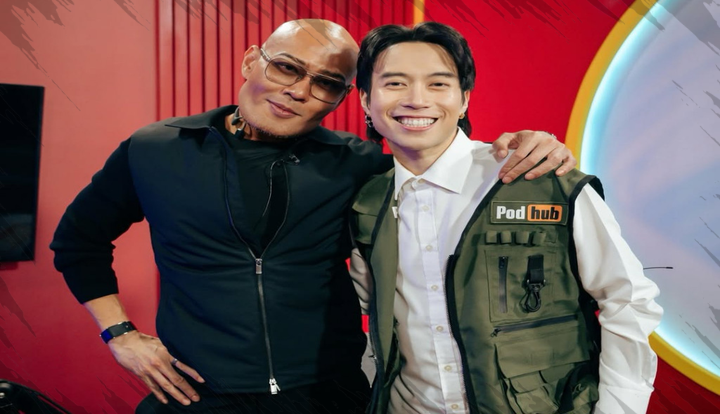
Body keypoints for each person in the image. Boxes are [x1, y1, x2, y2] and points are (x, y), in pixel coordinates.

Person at [51, 19, 577, 413]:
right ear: (251, 61)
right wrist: (120, 335)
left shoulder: (360, 163)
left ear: (346, 98)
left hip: (331, 394)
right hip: (199, 394)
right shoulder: (155, 149)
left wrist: (528, 143)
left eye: (326, 82)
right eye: (286, 67)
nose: (299, 91)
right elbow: (78, 243)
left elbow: (445, 159)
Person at [349, 22, 663, 414]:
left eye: (438, 84)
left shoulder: (541, 179)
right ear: (366, 100)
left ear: (464, 99)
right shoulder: (367, 202)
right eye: (395, 83)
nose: (416, 99)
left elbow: (628, 299)